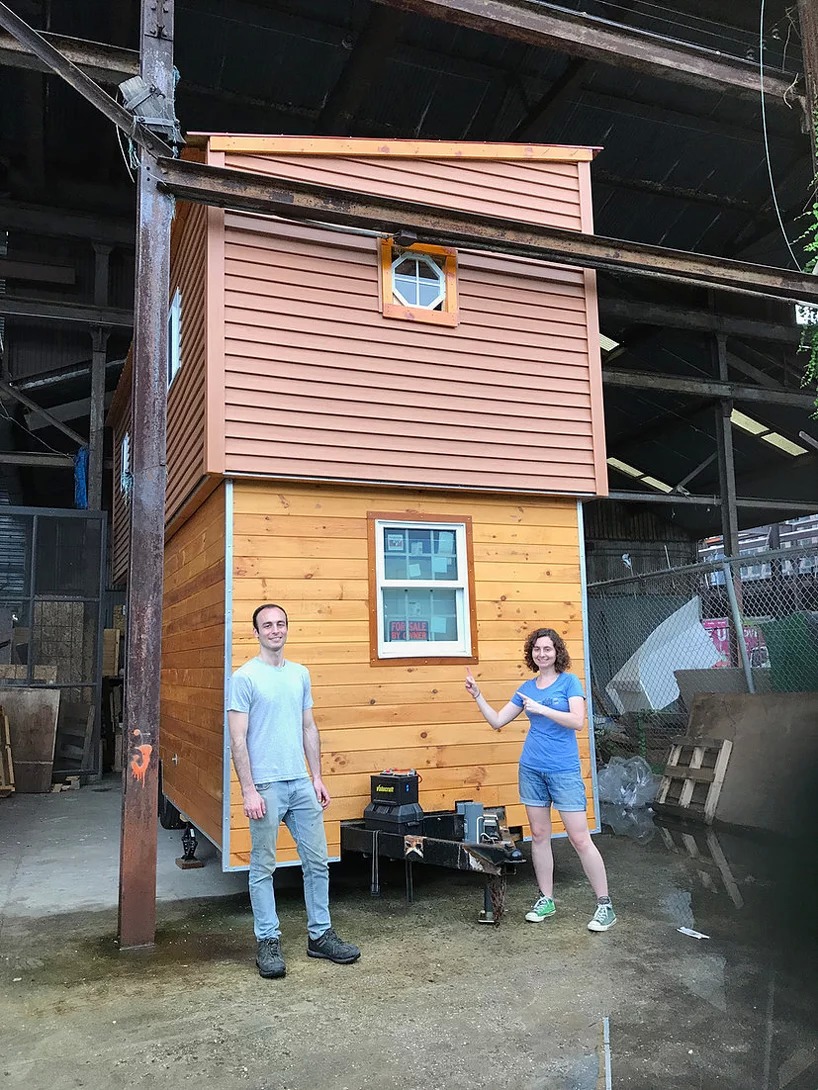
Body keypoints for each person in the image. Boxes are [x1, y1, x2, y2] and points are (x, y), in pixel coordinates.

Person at [228, 603, 361, 978]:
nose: (275, 630)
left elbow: (308, 727)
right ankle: (268, 941)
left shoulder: (300, 674)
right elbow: (237, 740)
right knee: (263, 866)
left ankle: (320, 936)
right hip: (266, 786)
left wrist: (317, 776)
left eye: (280, 624)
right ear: (255, 633)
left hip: (301, 784)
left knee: (317, 862)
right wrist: (249, 790)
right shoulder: (245, 678)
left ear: (287, 629)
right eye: (267, 625)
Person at [465, 627, 616, 932]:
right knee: (539, 835)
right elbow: (497, 721)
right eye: (537, 649)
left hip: (563, 770)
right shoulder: (527, 688)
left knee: (579, 838)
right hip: (532, 768)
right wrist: (478, 695)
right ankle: (546, 899)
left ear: (557, 652)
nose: (542, 654)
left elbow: (577, 721)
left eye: (547, 649)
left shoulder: (570, 682)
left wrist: (542, 709)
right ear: (531, 654)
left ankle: (605, 906)